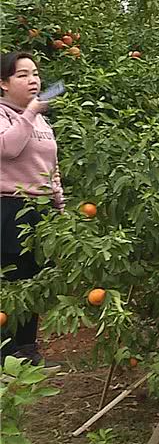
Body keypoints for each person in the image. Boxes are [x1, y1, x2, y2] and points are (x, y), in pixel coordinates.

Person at [0, 51, 64, 368]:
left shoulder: (41, 119)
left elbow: (51, 167)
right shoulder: (4, 115)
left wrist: (59, 205)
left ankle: (26, 350)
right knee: (12, 281)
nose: (33, 80)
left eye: (35, 73)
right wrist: (28, 114)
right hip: (9, 207)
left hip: (40, 208)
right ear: (3, 83)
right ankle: (6, 354)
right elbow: (8, 149)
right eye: (22, 74)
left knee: (34, 281)